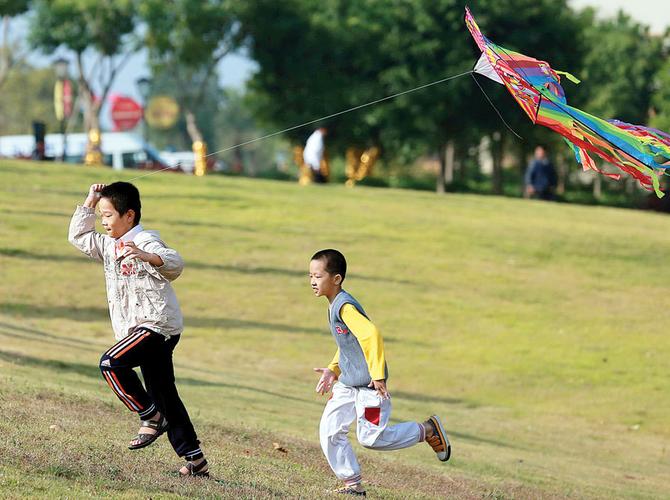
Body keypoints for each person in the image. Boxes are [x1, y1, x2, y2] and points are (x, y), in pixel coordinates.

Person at [68, 182, 208, 478]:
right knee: (163, 392)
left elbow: (175, 263)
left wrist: (148, 256)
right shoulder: (108, 245)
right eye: (101, 215)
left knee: (111, 363)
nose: (103, 222)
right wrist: (89, 201)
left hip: (157, 325)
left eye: (108, 215)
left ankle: (150, 416)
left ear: (129, 215)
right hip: (137, 330)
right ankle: (195, 460)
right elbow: (78, 236)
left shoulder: (145, 239)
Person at [309, 249, 451, 496]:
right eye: (310, 275)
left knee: (371, 439)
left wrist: (377, 375)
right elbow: (348, 345)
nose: (312, 281)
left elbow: (371, 334)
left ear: (336, 278)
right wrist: (333, 370)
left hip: (369, 389)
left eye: (318, 276)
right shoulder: (333, 306)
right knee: (329, 429)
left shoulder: (345, 307)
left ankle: (428, 430)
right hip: (347, 386)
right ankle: (352, 485)